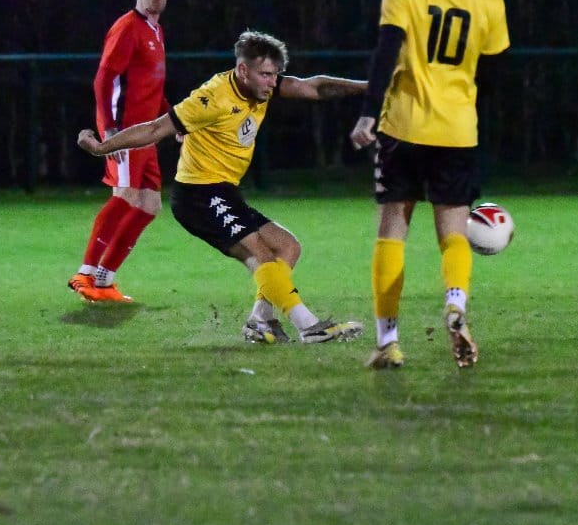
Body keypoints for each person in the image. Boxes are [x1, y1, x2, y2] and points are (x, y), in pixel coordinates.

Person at [78, 30, 366, 344]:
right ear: (243, 70)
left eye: (275, 75)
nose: (273, 82)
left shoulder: (260, 88)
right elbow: (155, 129)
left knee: (287, 247)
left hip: (222, 192)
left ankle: (260, 321)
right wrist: (102, 148)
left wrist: (369, 87)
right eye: (266, 75)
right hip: (199, 196)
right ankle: (309, 327)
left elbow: (314, 87)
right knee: (261, 256)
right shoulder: (212, 98)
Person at [349, 0, 510, 369]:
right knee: (453, 231)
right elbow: (493, 76)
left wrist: (368, 114)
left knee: (392, 231)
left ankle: (388, 342)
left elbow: (386, 53)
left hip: (403, 126)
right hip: (457, 131)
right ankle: (456, 302)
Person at [68, 0, 172, 303]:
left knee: (150, 204)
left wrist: (172, 120)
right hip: (126, 130)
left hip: (147, 133)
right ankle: (85, 274)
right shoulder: (127, 27)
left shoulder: (156, 30)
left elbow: (151, 85)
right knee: (125, 195)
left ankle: (104, 280)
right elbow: (104, 79)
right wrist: (110, 129)